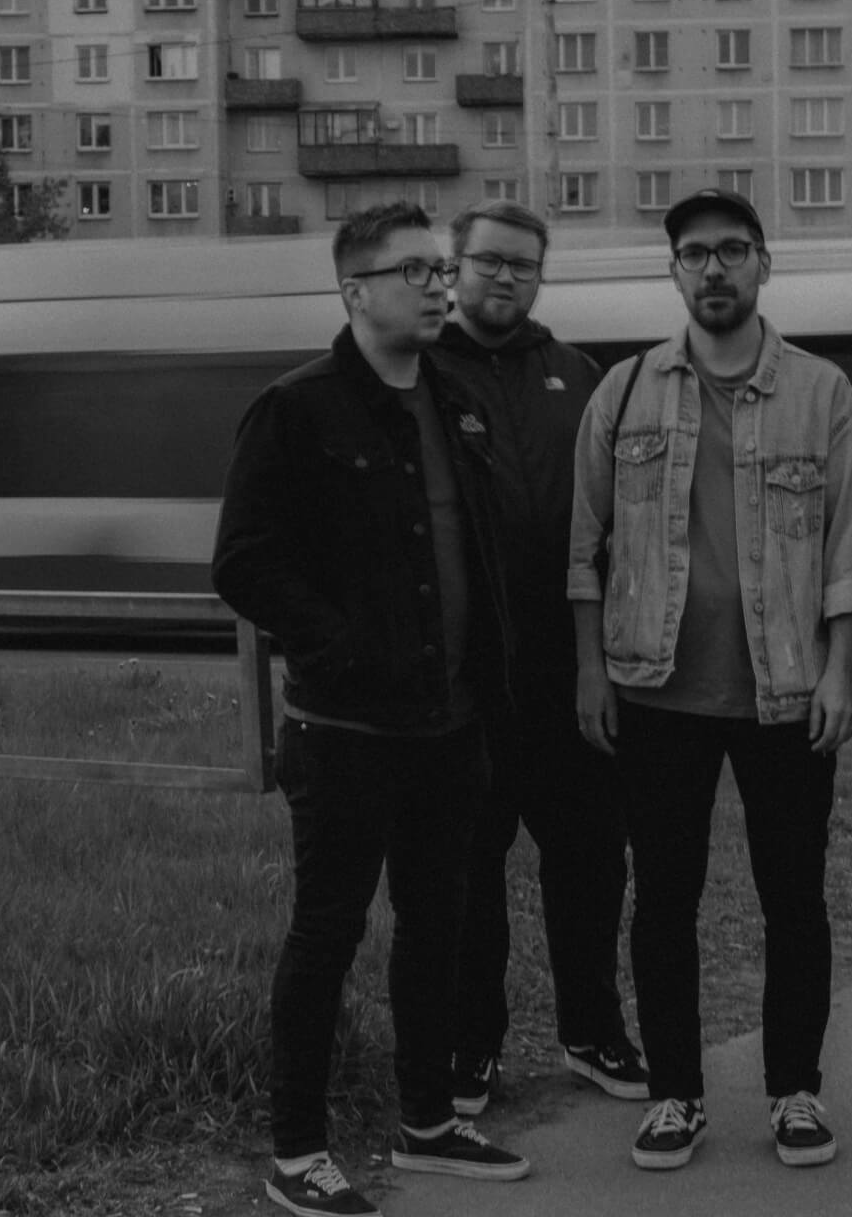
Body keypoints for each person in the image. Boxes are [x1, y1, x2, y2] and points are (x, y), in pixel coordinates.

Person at [212, 202, 530, 1218]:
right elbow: (243, 562)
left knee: (437, 928)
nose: (440, 286)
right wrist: (340, 643)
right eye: (415, 272)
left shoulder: (456, 402)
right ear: (355, 291)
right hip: (347, 734)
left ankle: (427, 1121)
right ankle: (298, 1151)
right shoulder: (296, 409)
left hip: (450, 727)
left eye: (441, 269)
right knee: (327, 934)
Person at [567, 188, 852, 1172]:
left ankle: (794, 1091)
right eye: (695, 252)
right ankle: (675, 1095)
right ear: (674, 270)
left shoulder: (823, 393)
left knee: (795, 899)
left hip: (787, 692)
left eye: (733, 250)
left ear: (763, 265)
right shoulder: (623, 393)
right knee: (663, 900)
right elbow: (585, 548)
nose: (714, 268)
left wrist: (842, 670)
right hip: (655, 692)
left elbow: (850, 548)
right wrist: (590, 671)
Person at [427, 199, 648, 1116]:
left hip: (569, 673)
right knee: (470, 875)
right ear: (454, 269)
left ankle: (591, 1030)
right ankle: (470, 1045)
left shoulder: (578, 375)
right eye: (489, 261)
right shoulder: (421, 373)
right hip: (468, 682)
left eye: (523, 264)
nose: (506, 278)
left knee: (592, 863)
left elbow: (613, 519)